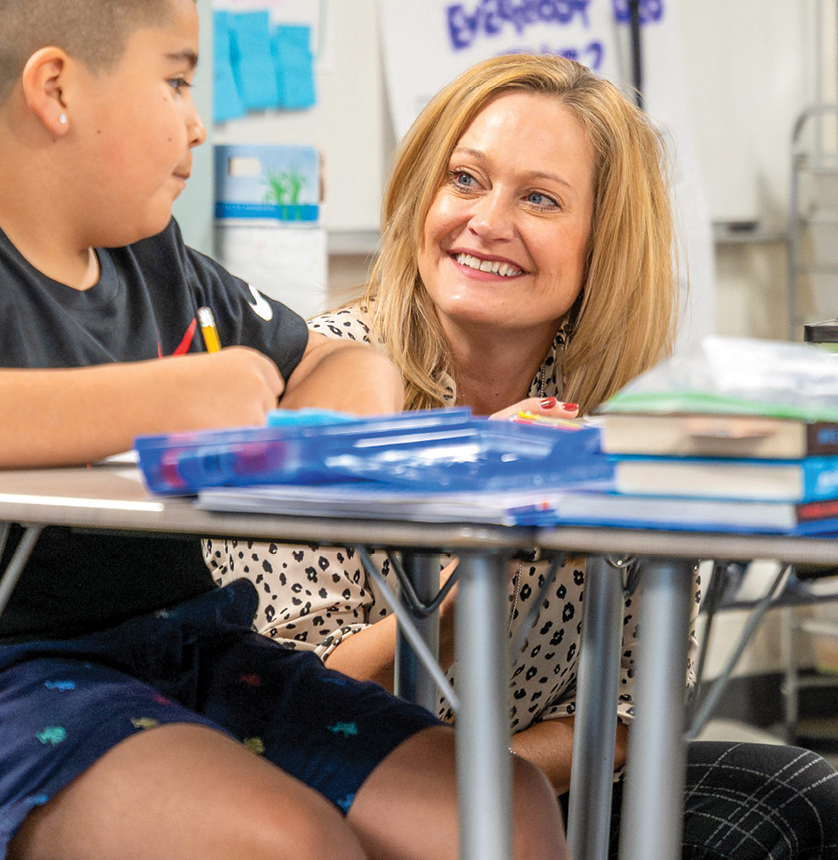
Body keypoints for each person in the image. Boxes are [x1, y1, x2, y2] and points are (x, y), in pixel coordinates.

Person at [0, 0, 570, 860]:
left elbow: (333, 362)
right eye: (175, 81)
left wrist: (310, 430)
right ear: (58, 90)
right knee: (282, 841)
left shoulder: (155, 264)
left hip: (184, 657)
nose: (198, 120)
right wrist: (167, 397)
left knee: (501, 813)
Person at [207, 53, 838, 858]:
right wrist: (488, 540)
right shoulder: (330, 382)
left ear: (602, 243)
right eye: (465, 180)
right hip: (323, 776)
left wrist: (493, 788)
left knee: (803, 796)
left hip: (530, 783)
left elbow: (632, 714)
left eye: (539, 198)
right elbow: (295, 697)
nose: (487, 221)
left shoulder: (617, 418)